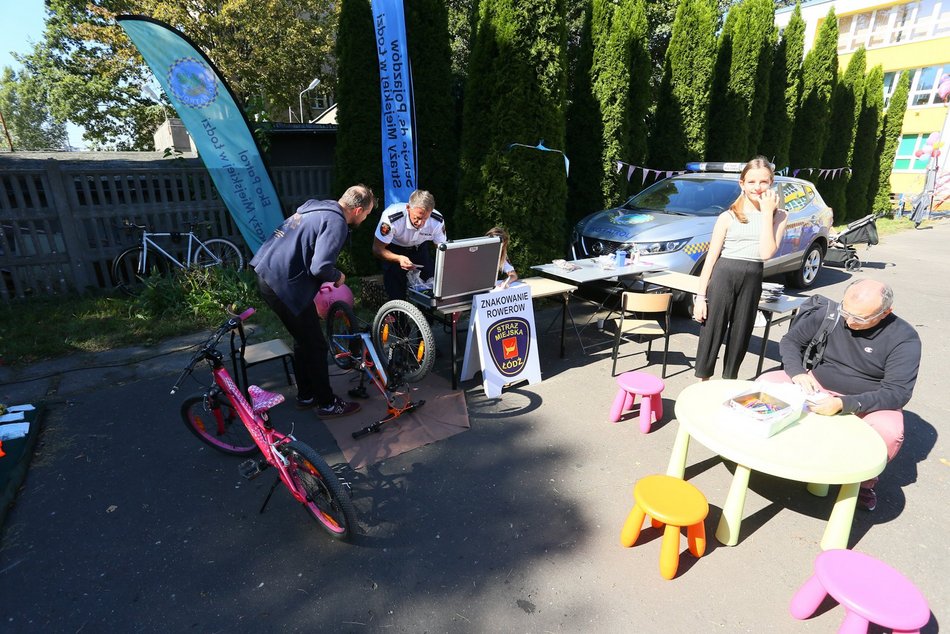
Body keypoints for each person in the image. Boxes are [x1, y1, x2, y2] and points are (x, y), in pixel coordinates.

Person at [760, 279, 921, 511]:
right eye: (846, 311)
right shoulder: (833, 314)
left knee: (890, 432)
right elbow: (791, 341)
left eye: (861, 318)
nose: (850, 321)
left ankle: (863, 484)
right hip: (816, 383)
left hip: (868, 398)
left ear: (886, 312)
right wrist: (796, 373)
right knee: (765, 385)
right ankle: (771, 453)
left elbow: (898, 392)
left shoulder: (904, 338)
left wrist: (844, 403)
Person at [250, 184, 375, 418]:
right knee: (316, 344)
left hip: (268, 275)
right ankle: (327, 404)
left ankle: (306, 394)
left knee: (303, 339)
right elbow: (320, 267)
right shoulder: (336, 222)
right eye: (367, 214)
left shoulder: (317, 209)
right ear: (358, 210)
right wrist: (337, 276)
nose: (366, 218)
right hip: (282, 284)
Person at [693, 156, 788, 380]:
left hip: (753, 277)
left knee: (740, 335)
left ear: (772, 183)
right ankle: (702, 385)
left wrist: (767, 214)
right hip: (724, 274)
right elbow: (711, 258)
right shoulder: (728, 216)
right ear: (742, 184)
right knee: (712, 331)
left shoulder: (780, 216)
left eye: (764, 182)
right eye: (752, 182)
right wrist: (699, 297)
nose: (757, 187)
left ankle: (729, 383)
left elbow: (766, 253)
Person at [372, 189, 447, 300]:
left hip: (419, 248)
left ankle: (425, 315)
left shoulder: (437, 220)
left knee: (428, 288)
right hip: (394, 249)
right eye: (417, 218)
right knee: (395, 289)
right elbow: (377, 249)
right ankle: (396, 314)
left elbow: (442, 251)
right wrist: (398, 258)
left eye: (425, 219)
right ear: (408, 208)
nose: (420, 223)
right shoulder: (392, 217)